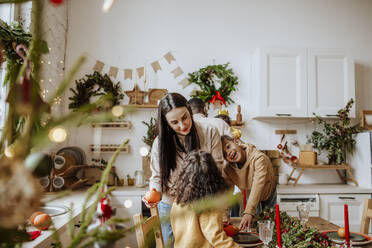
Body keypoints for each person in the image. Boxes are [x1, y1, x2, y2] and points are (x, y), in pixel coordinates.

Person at [145, 93, 225, 247]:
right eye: (174, 122)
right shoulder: (160, 143)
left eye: (185, 117)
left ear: (190, 110)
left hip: (203, 204)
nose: (182, 125)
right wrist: (154, 193)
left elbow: (218, 170)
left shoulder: (209, 132)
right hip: (170, 205)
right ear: (166, 123)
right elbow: (157, 177)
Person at [170, 150, 240, 248]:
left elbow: (194, 228)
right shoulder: (207, 205)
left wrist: (219, 223)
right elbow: (217, 238)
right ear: (213, 175)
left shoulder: (178, 200)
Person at [221, 135, 277, 231]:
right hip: (251, 194)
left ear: (237, 142)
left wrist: (248, 212)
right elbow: (227, 194)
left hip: (268, 191)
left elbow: (258, 185)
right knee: (254, 226)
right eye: (225, 154)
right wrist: (224, 217)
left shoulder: (259, 158)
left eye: (228, 146)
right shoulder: (228, 170)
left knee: (270, 225)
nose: (229, 152)